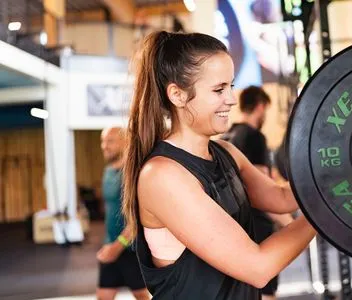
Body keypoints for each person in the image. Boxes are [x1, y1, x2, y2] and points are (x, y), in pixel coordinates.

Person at [121, 31, 316, 300]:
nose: (232, 99)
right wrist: (327, 212)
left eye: (231, 87)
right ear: (177, 95)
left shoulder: (225, 151)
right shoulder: (163, 176)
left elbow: (282, 198)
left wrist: (336, 177)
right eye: (218, 90)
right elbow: (258, 267)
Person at [221, 86, 294, 299]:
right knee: (266, 291)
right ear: (261, 107)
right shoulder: (254, 137)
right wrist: (289, 223)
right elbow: (261, 190)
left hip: (235, 226)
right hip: (258, 228)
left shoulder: (227, 136)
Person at [97, 127, 149, 300]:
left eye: (110, 141)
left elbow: (138, 217)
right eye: (102, 141)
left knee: (142, 296)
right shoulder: (108, 172)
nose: (104, 146)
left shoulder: (132, 174)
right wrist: (109, 245)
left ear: (125, 142)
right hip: (111, 246)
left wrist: (117, 246)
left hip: (130, 249)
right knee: (103, 296)